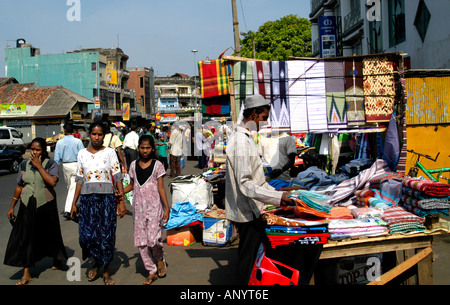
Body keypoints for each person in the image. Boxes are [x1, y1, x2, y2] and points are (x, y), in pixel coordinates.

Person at [225, 94, 295, 285]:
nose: (264, 124)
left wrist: (278, 196)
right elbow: (245, 183)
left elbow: (257, 180)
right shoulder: (240, 141)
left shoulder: (245, 139)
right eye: (264, 118)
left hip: (252, 208)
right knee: (247, 260)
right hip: (247, 211)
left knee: (251, 256)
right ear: (254, 115)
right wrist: (278, 198)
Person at [4, 137, 68, 285]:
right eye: (32, 149)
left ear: (43, 150)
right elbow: (19, 186)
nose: (34, 152)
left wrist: (39, 166)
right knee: (26, 236)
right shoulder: (24, 165)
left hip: (46, 203)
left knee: (51, 233)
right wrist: (12, 205)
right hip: (27, 204)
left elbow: (52, 182)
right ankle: (26, 273)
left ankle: (57, 258)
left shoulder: (50, 164)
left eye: (37, 149)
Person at [70, 121, 126, 285]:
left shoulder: (109, 152)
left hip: (106, 200)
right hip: (87, 201)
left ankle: (106, 271)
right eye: (94, 134)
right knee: (87, 236)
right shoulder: (82, 154)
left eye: (99, 134)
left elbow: (117, 177)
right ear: (89, 135)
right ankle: (96, 261)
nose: (96, 137)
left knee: (106, 236)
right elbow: (79, 180)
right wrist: (74, 203)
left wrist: (121, 201)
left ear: (104, 135)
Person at [123, 135, 170, 285]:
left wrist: (167, 208)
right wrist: (120, 192)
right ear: (138, 148)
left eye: (148, 148)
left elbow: (161, 188)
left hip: (155, 207)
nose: (145, 151)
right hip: (138, 209)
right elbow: (132, 185)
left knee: (153, 239)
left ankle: (159, 259)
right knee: (141, 242)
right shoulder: (133, 165)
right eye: (142, 148)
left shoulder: (157, 165)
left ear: (152, 149)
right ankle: (151, 270)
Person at [54, 121, 85, 218]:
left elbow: (56, 158)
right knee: (71, 187)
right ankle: (72, 205)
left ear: (64, 131)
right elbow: (83, 155)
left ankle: (68, 209)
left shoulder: (59, 142)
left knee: (71, 186)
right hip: (76, 164)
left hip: (65, 166)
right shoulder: (78, 141)